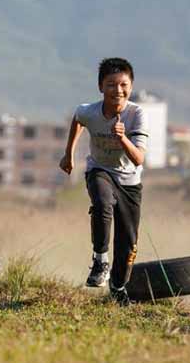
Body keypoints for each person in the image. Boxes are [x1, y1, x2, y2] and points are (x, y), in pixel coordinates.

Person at [59, 57, 149, 306]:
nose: (117, 91)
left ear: (130, 87)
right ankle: (100, 260)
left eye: (123, 85)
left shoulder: (137, 114)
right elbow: (78, 119)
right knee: (102, 203)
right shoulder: (90, 110)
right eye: (110, 85)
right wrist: (69, 154)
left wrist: (123, 139)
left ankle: (118, 287)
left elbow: (139, 158)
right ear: (100, 87)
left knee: (128, 243)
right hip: (100, 170)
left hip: (130, 182)